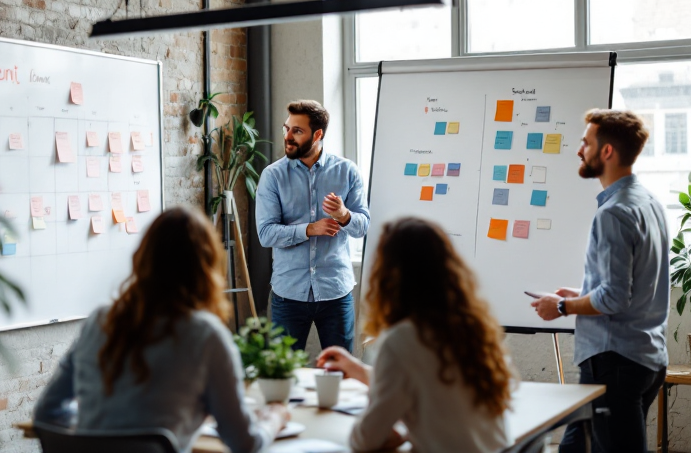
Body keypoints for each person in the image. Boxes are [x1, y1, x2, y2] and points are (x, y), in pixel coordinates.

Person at [33, 207, 289, 453]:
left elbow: (46, 413)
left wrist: (102, 429)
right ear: (207, 266)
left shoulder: (100, 320)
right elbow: (244, 444)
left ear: (142, 258)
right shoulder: (205, 334)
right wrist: (274, 418)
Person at [531, 109, 669, 453]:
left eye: (586, 142)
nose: (580, 150)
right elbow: (638, 286)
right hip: (645, 357)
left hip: (615, 363)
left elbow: (615, 297)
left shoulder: (614, 213)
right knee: (573, 448)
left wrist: (562, 306)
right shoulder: (650, 203)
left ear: (606, 151)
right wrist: (582, 294)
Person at [317, 217, 513, 453]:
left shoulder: (403, 339)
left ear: (389, 277)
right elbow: (427, 382)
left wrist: (400, 432)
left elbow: (364, 439)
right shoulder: (472, 327)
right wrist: (357, 369)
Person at [255, 99, 370, 352]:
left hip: (335, 293)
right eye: (286, 129)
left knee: (340, 372)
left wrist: (343, 215)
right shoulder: (272, 176)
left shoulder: (347, 172)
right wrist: (310, 229)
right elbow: (265, 234)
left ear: (317, 134)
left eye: (297, 131)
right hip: (288, 294)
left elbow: (363, 227)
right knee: (282, 374)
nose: (288, 136)